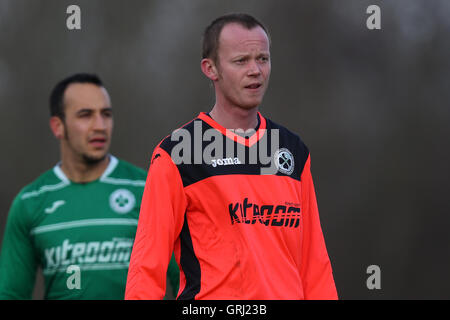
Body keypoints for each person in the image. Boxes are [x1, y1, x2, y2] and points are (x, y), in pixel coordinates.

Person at [125, 13, 337, 300]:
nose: (256, 71)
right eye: (241, 61)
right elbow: (146, 268)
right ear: (210, 68)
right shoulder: (179, 153)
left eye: (262, 58)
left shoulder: (291, 150)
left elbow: (315, 266)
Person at [0, 73, 179, 299]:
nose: (100, 126)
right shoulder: (30, 202)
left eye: (106, 115)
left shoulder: (146, 189)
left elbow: (184, 280)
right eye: (85, 115)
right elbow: (11, 294)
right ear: (58, 127)